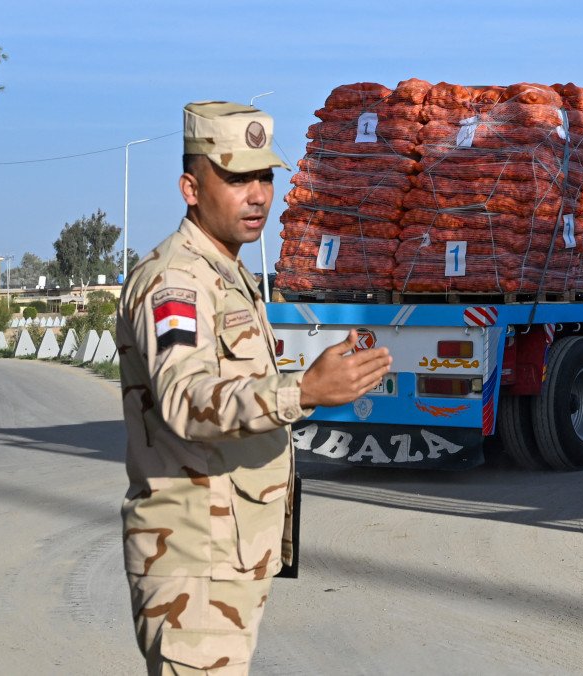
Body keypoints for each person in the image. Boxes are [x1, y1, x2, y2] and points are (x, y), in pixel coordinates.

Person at [116, 101, 391, 674]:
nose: (259, 194)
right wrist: (302, 392)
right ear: (191, 188)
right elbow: (183, 400)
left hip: (229, 553)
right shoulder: (177, 280)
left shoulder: (228, 272)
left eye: (264, 176)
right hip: (194, 560)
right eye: (237, 178)